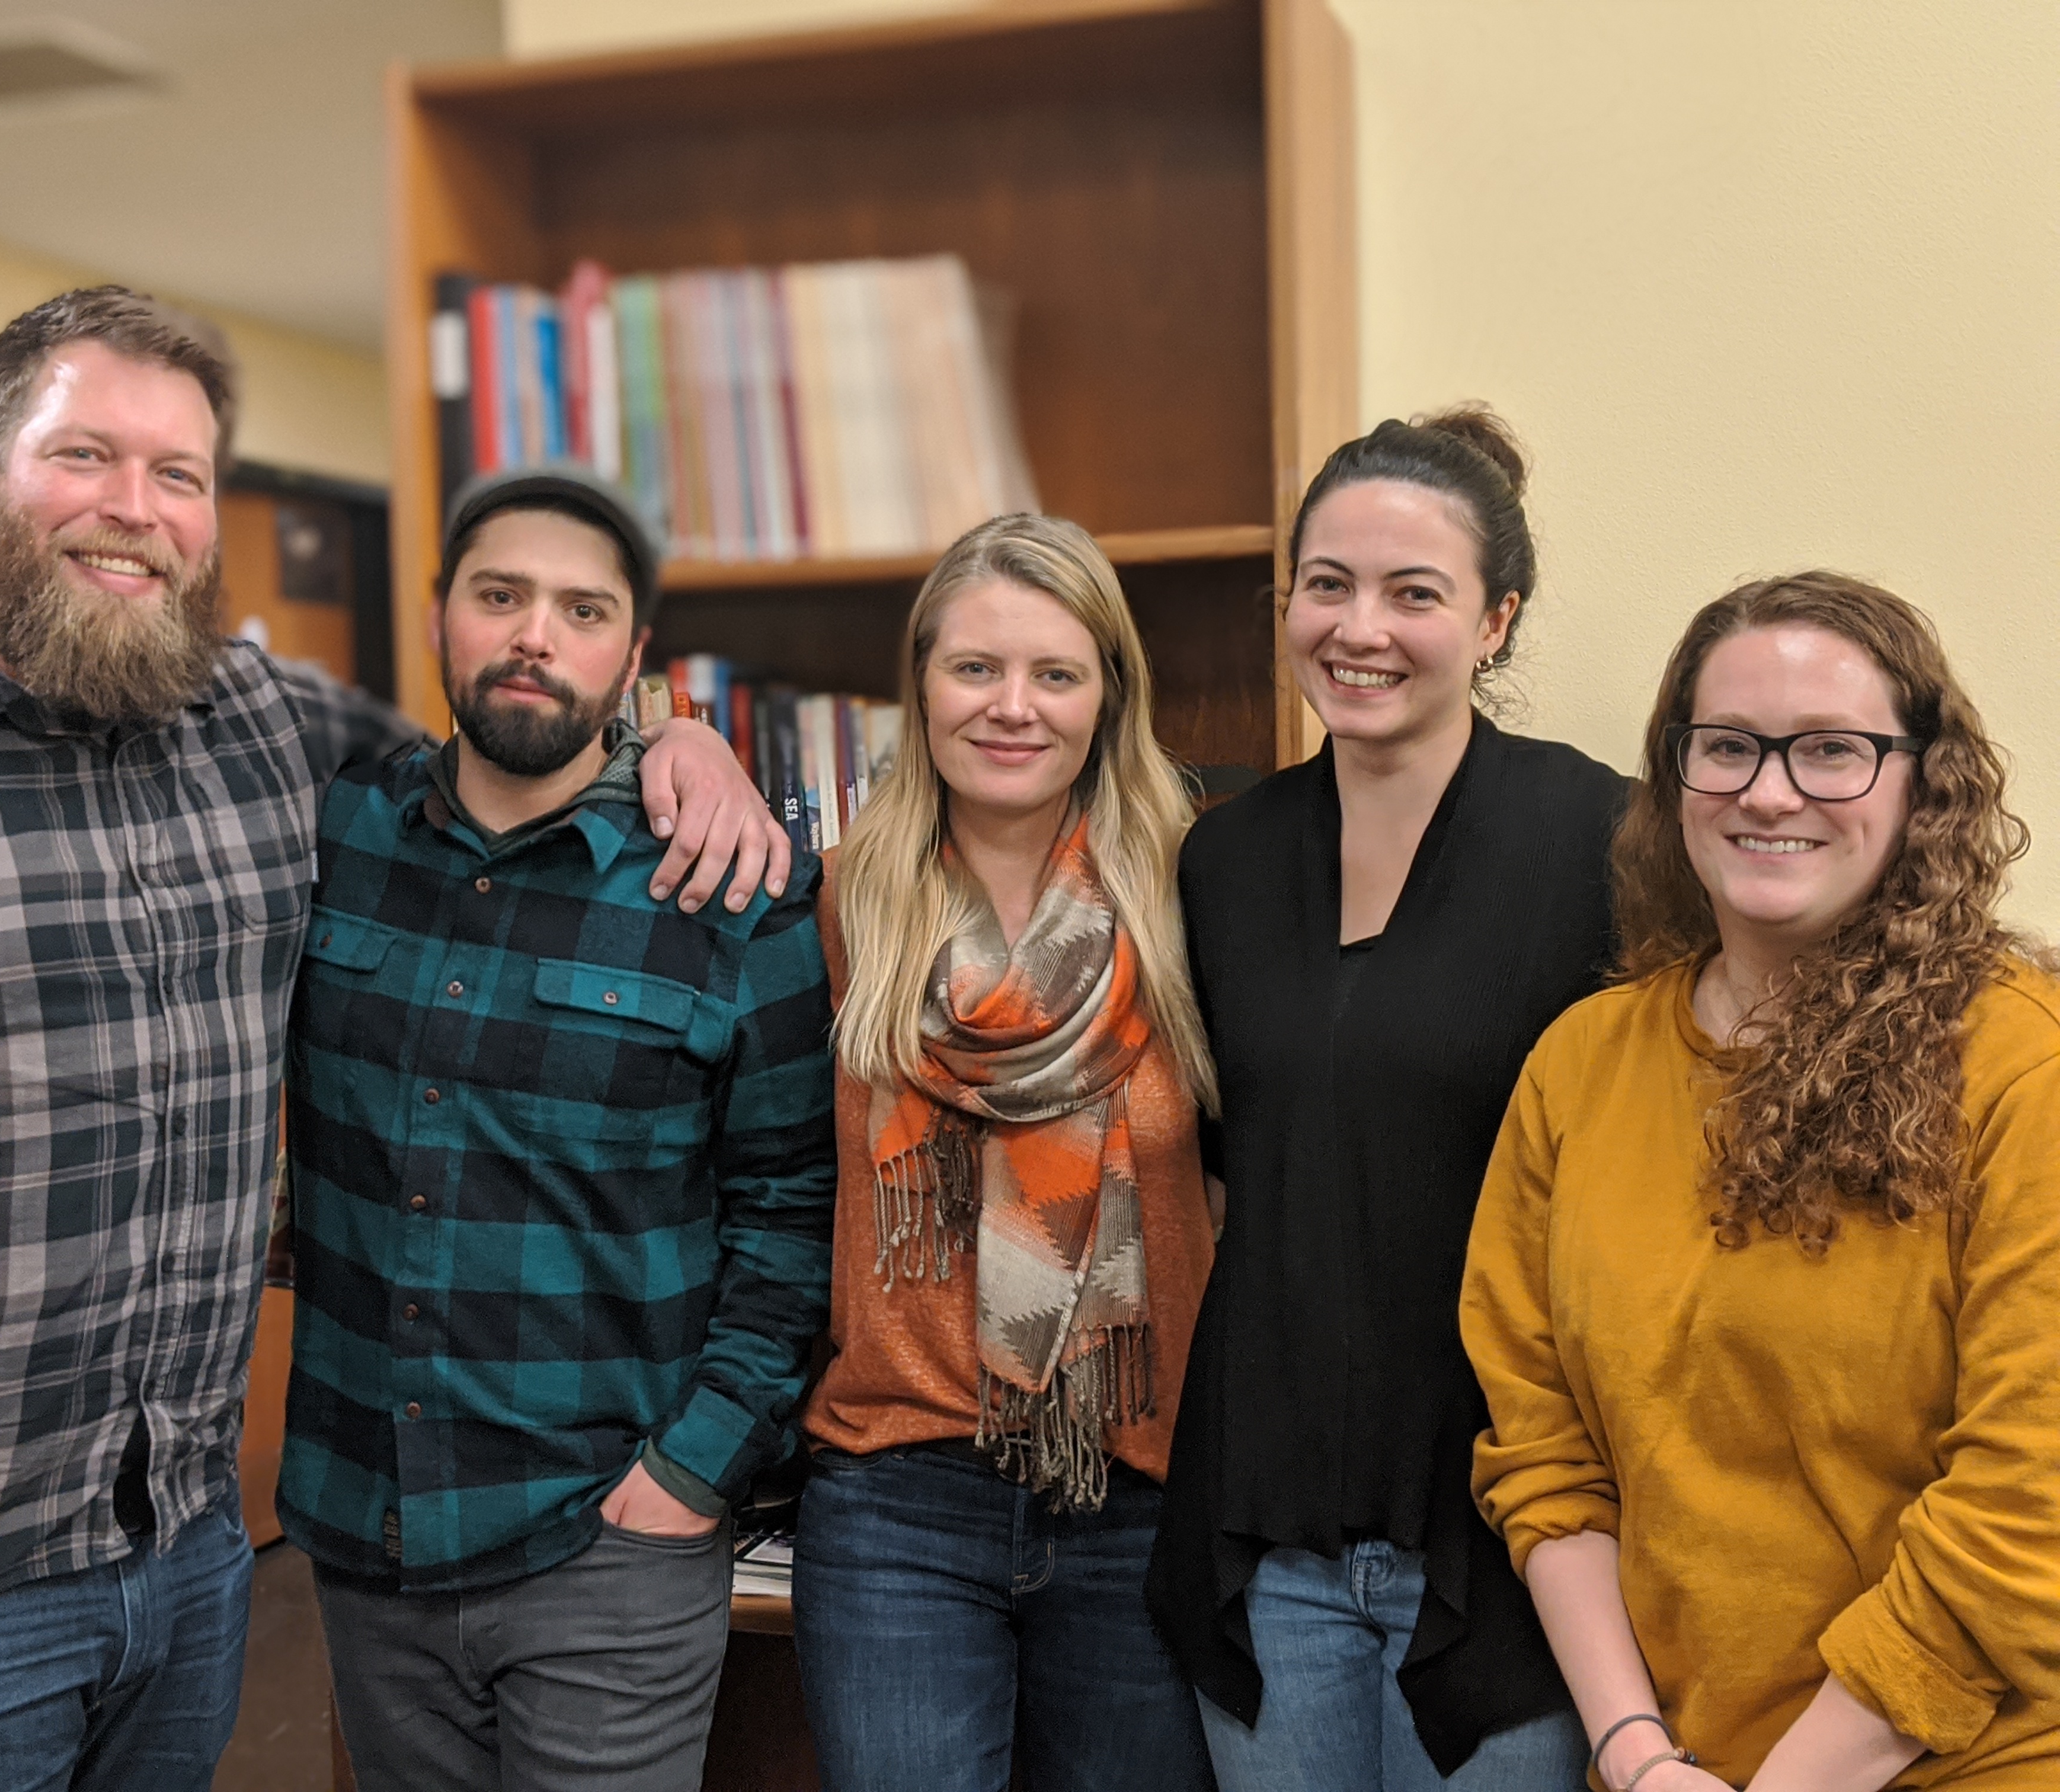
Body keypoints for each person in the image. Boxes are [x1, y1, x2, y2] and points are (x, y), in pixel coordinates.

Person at [0, 287, 782, 1792]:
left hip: (187, 1576)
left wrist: (678, 743)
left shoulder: (260, 730)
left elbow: (506, 737)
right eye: (86, 456)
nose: (134, 512)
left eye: (177, 476)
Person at [278, 465, 839, 1792]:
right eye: (501, 595)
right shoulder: (329, 831)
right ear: (439, 622)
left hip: (607, 1546)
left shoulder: (734, 889)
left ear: (635, 657)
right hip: (367, 1528)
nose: (537, 634)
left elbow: (793, 1211)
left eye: (583, 610)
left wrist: (691, 1477)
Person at [1463, 571, 2060, 1791]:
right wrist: (1636, 1754)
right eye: (1727, 747)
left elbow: (2030, 1508)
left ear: (1920, 781)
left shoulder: (2022, 1064)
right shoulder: (1582, 1064)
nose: (1769, 791)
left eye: (1832, 751)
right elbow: (1543, 1452)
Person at [1148, 410, 1623, 1790]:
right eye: (1328, 583)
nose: (1360, 626)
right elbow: (1236, 1167)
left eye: (1416, 593)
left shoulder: (1610, 841)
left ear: (1497, 620)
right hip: (1262, 1544)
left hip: (1510, 1545)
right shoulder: (1221, 858)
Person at [792, 513, 1219, 1792]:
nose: (1012, 708)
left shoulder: (1201, 892)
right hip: (896, 1501)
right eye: (975, 668)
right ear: (920, 685)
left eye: (1056, 672)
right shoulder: (842, 900)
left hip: (1138, 1489)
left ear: (1109, 695)